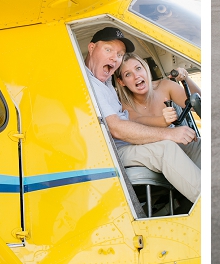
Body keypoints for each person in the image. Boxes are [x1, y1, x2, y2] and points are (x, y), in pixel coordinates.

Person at [84, 27, 201, 203]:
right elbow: (116, 128)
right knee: (166, 148)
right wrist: (169, 132)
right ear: (91, 48)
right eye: (108, 50)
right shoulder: (88, 81)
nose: (114, 58)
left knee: (196, 145)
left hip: (131, 145)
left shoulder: (106, 81)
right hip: (114, 151)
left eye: (119, 54)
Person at [115, 52, 201, 129]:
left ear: (145, 69)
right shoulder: (122, 103)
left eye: (138, 68)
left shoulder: (165, 86)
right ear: (121, 82)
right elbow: (137, 120)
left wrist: (185, 78)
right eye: (128, 74)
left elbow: (200, 105)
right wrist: (164, 120)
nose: (136, 76)